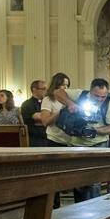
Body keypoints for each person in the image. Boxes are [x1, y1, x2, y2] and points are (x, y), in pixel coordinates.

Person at [55, 78, 110, 202]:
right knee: (77, 180)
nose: (100, 99)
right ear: (90, 91)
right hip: (75, 145)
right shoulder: (80, 94)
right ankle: (79, 209)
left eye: (103, 96)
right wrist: (70, 103)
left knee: (93, 181)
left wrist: (95, 130)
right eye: (96, 96)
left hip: (97, 145)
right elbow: (58, 92)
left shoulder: (109, 103)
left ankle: (93, 211)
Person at [38, 73, 72, 208]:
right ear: (56, 85)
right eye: (63, 84)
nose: (65, 87)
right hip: (55, 141)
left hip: (70, 141)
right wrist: (61, 111)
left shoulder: (70, 98)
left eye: (67, 85)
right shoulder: (48, 99)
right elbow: (45, 121)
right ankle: (54, 206)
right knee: (55, 176)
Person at [19, 80, 48, 147]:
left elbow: (44, 120)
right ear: (34, 89)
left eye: (47, 89)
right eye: (44, 89)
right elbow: (42, 118)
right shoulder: (27, 104)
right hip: (35, 139)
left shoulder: (46, 103)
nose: (46, 91)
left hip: (47, 137)